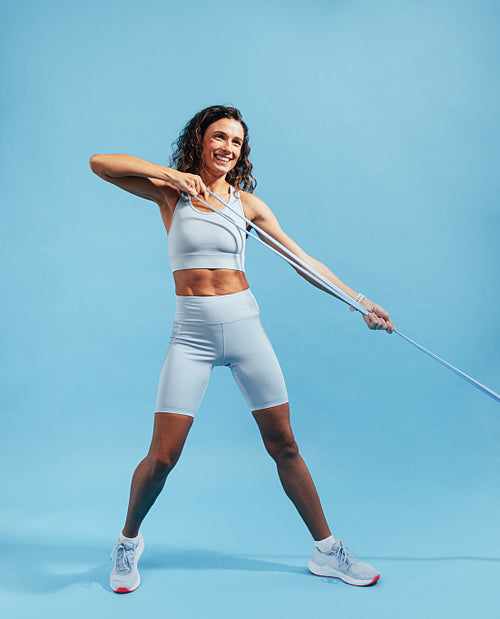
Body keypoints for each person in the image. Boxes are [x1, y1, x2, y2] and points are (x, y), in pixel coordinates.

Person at [89, 105, 394, 594]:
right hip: (191, 334)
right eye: (219, 137)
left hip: (245, 327)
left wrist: (358, 302)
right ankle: (127, 541)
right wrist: (172, 174)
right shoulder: (170, 193)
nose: (228, 148)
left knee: (285, 444)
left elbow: (303, 261)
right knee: (164, 456)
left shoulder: (247, 206)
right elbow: (100, 163)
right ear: (200, 140)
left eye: (236, 142)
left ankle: (327, 550)